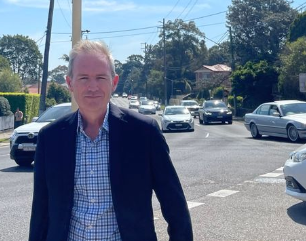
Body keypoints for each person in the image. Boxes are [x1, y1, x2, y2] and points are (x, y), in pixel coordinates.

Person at [29, 40, 194, 241]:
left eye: (100, 77)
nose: (92, 86)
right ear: (70, 83)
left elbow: (175, 208)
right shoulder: (50, 138)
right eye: (83, 78)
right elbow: (40, 213)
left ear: (114, 82)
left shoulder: (144, 133)